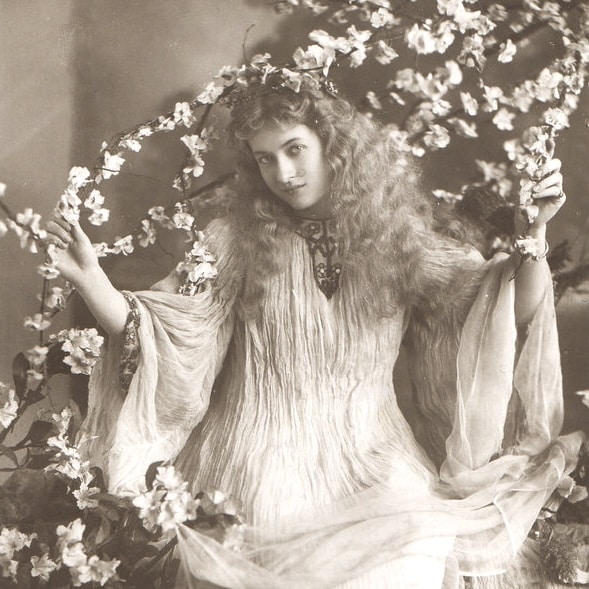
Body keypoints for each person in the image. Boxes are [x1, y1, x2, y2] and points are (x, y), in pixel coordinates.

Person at [45, 81, 583, 588]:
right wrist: (93, 281)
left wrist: (534, 237)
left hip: (374, 454)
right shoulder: (234, 240)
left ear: (334, 145)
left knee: (412, 553)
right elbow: (168, 332)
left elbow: (504, 307)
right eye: (265, 158)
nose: (283, 172)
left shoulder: (400, 239)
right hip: (258, 452)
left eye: (295, 149)